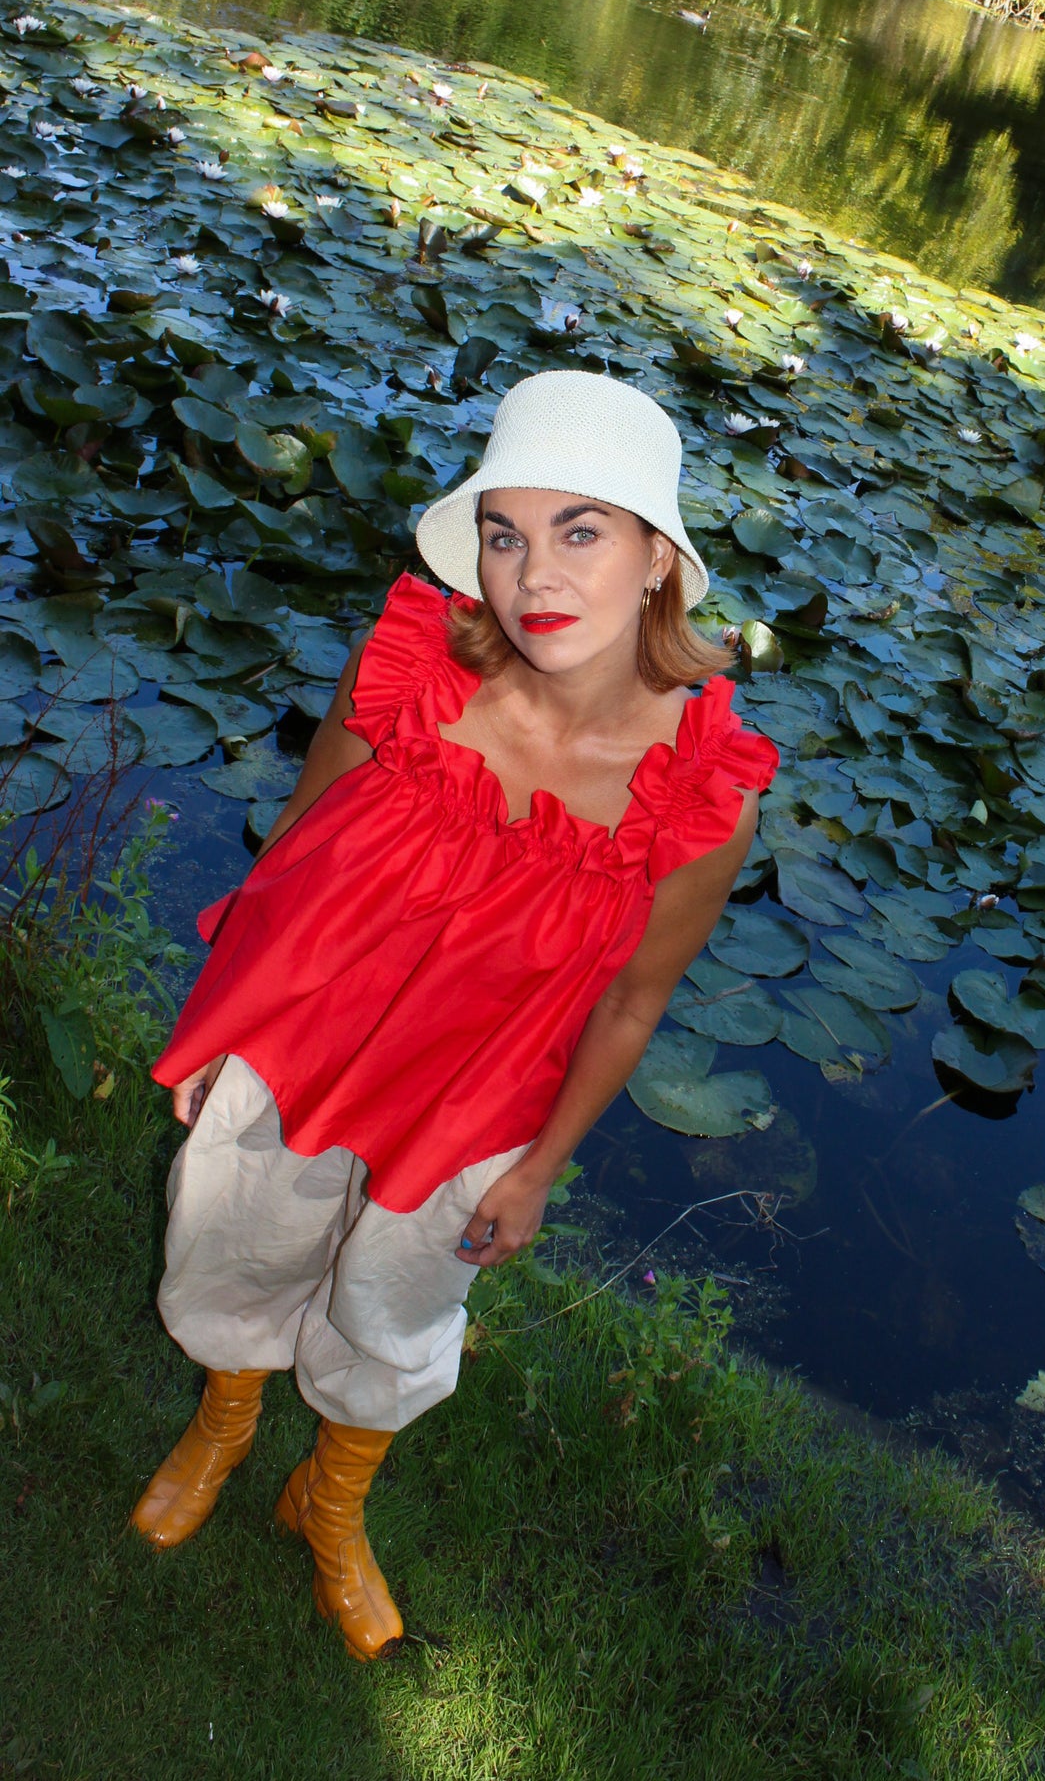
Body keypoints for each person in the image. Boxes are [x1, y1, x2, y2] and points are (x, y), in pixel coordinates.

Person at [132, 370, 779, 1661]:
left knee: (398, 1298)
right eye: (503, 532)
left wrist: (540, 1169)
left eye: (579, 531)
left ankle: (333, 1498)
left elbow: (633, 999)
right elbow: (297, 851)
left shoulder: (699, 791)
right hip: (311, 1033)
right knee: (241, 1235)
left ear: (659, 558)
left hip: (481, 1100)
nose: (532, 573)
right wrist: (222, 1025)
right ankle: (223, 1420)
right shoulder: (414, 671)